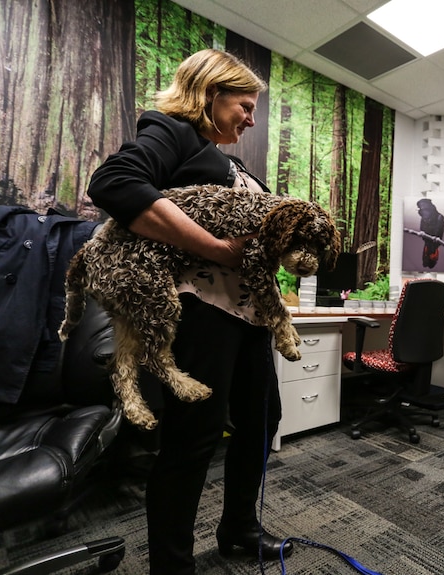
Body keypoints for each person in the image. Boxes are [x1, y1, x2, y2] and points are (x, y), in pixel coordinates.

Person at [88, 49, 292, 574]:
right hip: (202, 311)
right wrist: (218, 251)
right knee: (194, 438)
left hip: (249, 317)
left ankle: (240, 530)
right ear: (209, 92)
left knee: (262, 419)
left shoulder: (234, 163)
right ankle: (172, 565)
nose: (250, 119)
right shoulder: (173, 132)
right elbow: (115, 183)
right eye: (243, 106)